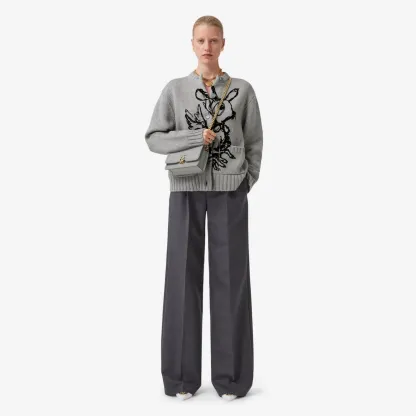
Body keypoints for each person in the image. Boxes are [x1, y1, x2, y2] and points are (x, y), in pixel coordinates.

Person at [144, 15, 263, 401]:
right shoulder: (175, 90)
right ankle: (181, 378)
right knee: (182, 277)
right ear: (192, 44)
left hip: (230, 191)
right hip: (185, 188)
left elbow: (254, 140)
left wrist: (245, 180)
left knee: (231, 279)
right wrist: (195, 136)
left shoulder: (242, 90)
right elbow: (154, 138)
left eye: (214, 40)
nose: (207, 46)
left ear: (223, 43)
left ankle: (232, 379)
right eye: (201, 40)